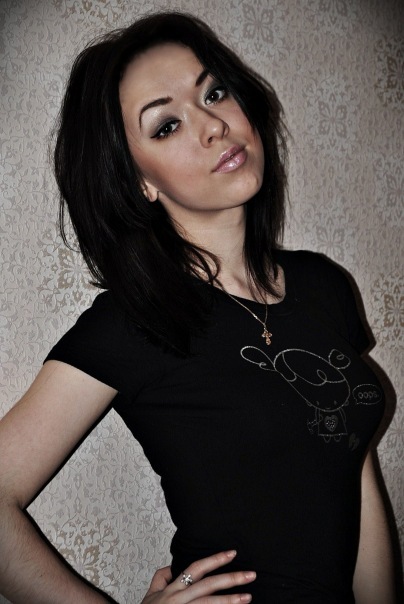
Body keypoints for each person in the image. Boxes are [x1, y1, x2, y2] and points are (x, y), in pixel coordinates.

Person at [0, 11, 397, 604]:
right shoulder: (134, 321)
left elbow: (352, 467)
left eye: (213, 93)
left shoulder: (324, 285)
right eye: (166, 125)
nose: (213, 125)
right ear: (140, 182)